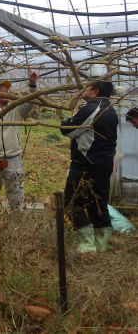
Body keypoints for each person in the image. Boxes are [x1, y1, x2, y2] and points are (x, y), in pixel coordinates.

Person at [61, 81, 117, 253]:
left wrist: (67, 120)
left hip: (86, 163)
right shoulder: (110, 109)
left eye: (87, 88)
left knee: (72, 202)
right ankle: (101, 242)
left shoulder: (92, 107)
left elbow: (68, 130)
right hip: (104, 163)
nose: (84, 90)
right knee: (98, 202)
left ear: (95, 91)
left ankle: (86, 243)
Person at [0, 71, 39, 213]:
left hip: (13, 159)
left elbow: (30, 101)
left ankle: (16, 229)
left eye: (7, 90)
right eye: (1, 90)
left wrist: (32, 84)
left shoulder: (15, 109)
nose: (6, 92)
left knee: (16, 197)